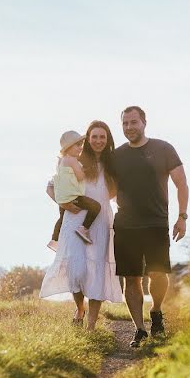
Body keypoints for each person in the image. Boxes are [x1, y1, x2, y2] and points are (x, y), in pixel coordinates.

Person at [110, 105, 189, 347]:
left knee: (158, 274)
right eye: (125, 123)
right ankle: (140, 329)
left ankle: (156, 311)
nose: (129, 127)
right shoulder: (117, 156)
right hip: (125, 226)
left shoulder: (163, 149)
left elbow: (181, 184)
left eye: (134, 122)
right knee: (131, 279)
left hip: (156, 223)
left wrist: (182, 217)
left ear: (144, 122)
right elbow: (107, 188)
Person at [40, 121, 122, 329]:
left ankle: (91, 326)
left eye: (102, 137)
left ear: (108, 140)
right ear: (87, 139)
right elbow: (50, 187)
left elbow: (114, 192)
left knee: (98, 273)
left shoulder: (112, 163)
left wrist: (104, 200)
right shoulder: (75, 160)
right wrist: (64, 203)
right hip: (75, 219)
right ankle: (79, 307)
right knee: (76, 270)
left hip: (100, 220)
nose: (98, 141)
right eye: (94, 136)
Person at [49, 130, 102, 249]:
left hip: (62, 198)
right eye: (77, 145)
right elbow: (80, 176)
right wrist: (84, 170)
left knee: (62, 218)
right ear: (68, 148)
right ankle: (84, 228)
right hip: (73, 196)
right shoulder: (72, 160)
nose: (80, 148)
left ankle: (54, 240)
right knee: (96, 207)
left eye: (81, 145)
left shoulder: (61, 161)